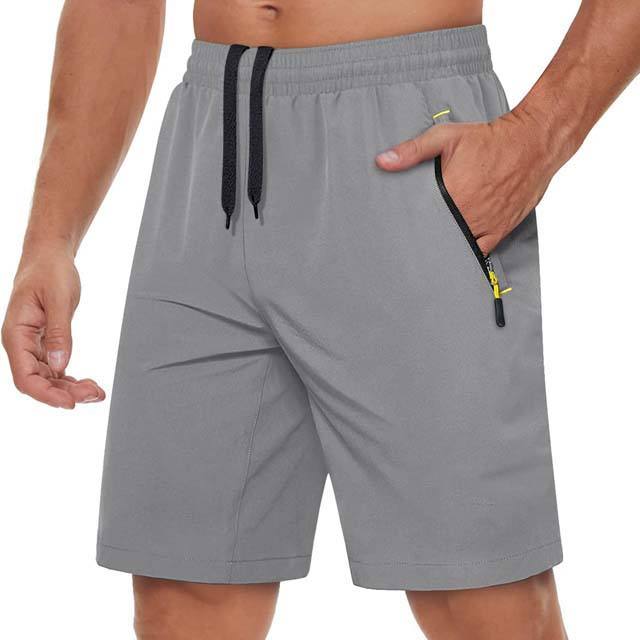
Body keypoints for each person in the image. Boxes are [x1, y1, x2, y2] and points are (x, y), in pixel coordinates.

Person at [3, 1, 639, 638]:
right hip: (209, 151)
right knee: (184, 597)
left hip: (405, 143)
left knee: (482, 599)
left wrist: (538, 135)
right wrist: (50, 240)